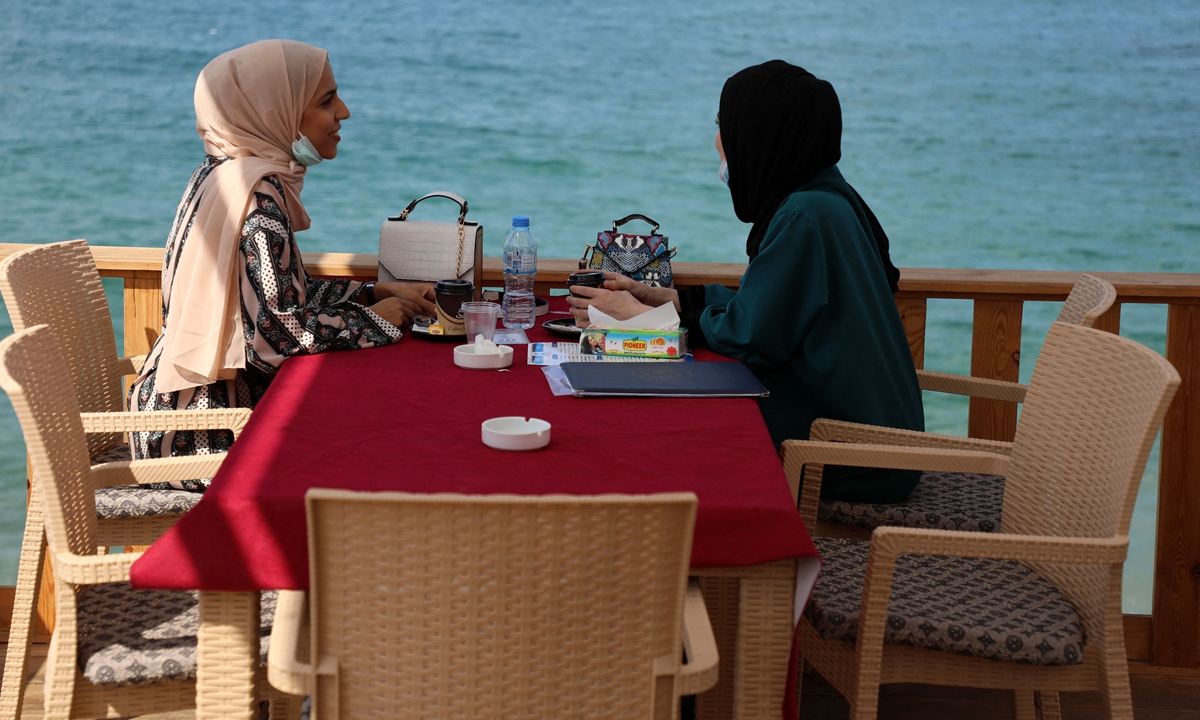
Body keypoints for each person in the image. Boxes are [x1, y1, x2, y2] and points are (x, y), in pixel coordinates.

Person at [568, 61, 924, 503]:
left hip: (849, 453)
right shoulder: (828, 198)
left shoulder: (805, 216)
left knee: (666, 446)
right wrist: (667, 299)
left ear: (762, 131)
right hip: (872, 439)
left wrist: (641, 318)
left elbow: (753, 337)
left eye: (725, 124)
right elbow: (768, 310)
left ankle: (699, 560)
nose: (719, 141)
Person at [129, 39, 435, 481]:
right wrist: (378, 321)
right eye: (327, 100)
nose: (344, 111)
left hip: (170, 415)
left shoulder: (219, 175)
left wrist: (375, 293)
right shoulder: (256, 201)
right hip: (205, 435)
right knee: (382, 453)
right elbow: (273, 339)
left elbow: (282, 298)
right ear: (278, 110)